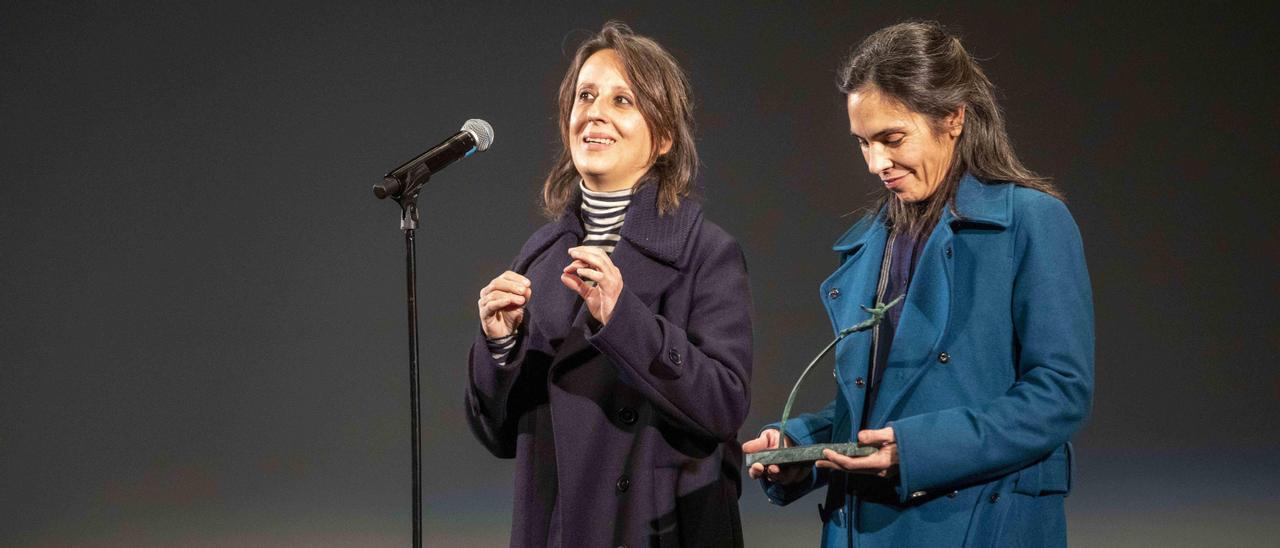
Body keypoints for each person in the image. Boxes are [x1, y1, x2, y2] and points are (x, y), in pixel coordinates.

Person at [742, 21, 1093, 547]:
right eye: (863, 142)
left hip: (979, 524)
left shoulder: (1032, 222)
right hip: (862, 527)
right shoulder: (869, 244)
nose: (876, 163)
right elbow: (875, 409)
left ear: (953, 118)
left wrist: (918, 450)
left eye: (892, 138)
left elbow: (1059, 394)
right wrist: (804, 448)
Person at [465, 22, 752, 548]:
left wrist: (625, 320)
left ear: (664, 137)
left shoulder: (706, 252)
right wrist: (500, 345)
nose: (594, 113)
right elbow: (500, 436)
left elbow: (724, 405)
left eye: (622, 100)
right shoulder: (540, 255)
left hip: (657, 528)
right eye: (585, 96)